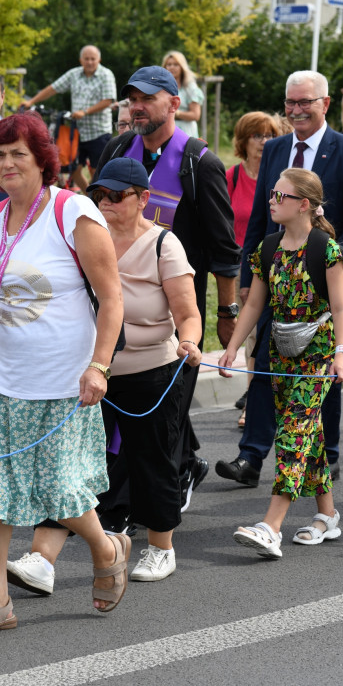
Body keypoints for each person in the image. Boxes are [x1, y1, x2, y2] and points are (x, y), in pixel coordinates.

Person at [6, 157, 203, 590]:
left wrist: (189, 340)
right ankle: (42, 557)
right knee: (63, 466)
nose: (106, 204)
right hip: (87, 371)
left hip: (148, 369)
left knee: (150, 460)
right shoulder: (82, 235)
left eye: (117, 196)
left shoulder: (162, 244)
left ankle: (160, 546)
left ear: (143, 199)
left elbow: (188, 312)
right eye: (99, 195)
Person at [95, 66, 241, 512]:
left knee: (162, 411)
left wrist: (226, 312)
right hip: (113, 313)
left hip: (176, 318)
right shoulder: (119, 149)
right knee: (131, 413)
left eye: (147, 98)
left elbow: (223, 247)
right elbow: (92, 215)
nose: (136, 106)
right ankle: (164, 478)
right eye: (131, 98)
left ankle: (153, 501)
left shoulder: (200, 162)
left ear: (174, 104)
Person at [215, 69, 343, 488]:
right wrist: (250, 272)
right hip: (273, 276)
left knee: (323, 379)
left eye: (305, 102)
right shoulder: (276, 148)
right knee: (265, 365)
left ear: (324, 104)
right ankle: (251, 457)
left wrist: (327, 265)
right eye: (291, 102)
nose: (296, 110)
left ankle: (328, 455)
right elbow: (262, 220)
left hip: (322, 285)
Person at [0, 112, 125, 628]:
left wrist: (99, 366)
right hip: (6, 381)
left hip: (62, 382)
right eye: (1, 155)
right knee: (1, 492)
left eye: (17, 155)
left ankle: (106, 549)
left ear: (42, 160)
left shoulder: (72, 213)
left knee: (59, 492)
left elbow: (114, 298)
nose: (7, 164)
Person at [219, 168, 343, 558]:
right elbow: (255, 304)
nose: (272, 202)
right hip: (279, 351)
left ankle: (271, 525)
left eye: (280, 197)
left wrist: (341, 353)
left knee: (294, 432)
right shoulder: (267, 248)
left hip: (318, 354)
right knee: (308, 436)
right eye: (272, 195)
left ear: (304, 205)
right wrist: (231, 346)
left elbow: (341, 307)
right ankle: (327, 515)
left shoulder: (326, 249)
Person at [226, 111, 280, 426]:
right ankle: (253, 402)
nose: (263, 142)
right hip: (245, 266)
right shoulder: (232, 176)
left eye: (269, 135)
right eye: (256, 136)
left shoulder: (280, 176)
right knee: (252, 335)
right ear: (243, 141)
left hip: (281, 264)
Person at [19, 45, 116, 192]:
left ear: (99, 60)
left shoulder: (106, 74)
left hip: (99, 132)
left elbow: (108, 100)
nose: (89, 62)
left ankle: (100, 199)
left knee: (98, 172)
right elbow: (53, 88)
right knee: (72, 168)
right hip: (77, 132)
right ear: (80, 60)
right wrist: (31, 102)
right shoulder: (74, 74)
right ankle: (91, 198)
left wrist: (85, 111)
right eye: (86, 59)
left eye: (93, 59)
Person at [162, 50, 204, 138]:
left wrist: (175, 113)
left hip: (186, 132)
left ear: (182, 67)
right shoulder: (161, 87)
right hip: (165, 132)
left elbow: (196, 115)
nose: (172, 67)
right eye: (169, 64)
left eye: (176, 64)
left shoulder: (190, 87)